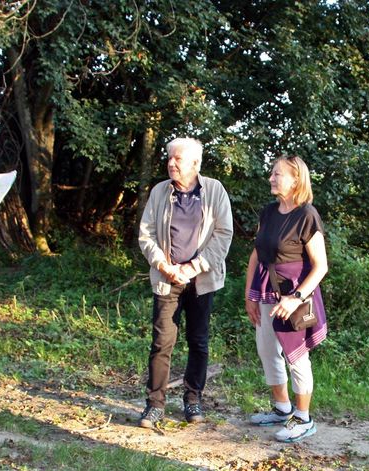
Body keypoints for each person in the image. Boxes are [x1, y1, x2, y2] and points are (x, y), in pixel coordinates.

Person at [137, 138, 233, 428]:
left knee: (198, 341)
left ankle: (193, 400)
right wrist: (164, 266)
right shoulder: (159, 192)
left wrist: (193, 267)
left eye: (177, 159)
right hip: (168, 279)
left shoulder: (214, 190)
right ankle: (155, 405)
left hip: (201, 281)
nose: (171, 163)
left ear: (195, 164)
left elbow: (224, 235)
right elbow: (146, 234)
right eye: (169, 158)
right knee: (162, 342)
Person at [244, 155, 328, 443]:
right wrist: (249, 294)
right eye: (272, 173)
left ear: (296, 180)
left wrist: (295, 298)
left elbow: (321, 266)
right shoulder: (268, 212)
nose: (271, 178)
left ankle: (303, 418)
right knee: (267, 349)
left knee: (296, 355)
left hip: (297, 294)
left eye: (277, 174)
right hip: (267, 290)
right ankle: (282, 409)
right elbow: (257, 253)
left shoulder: (307, 215)